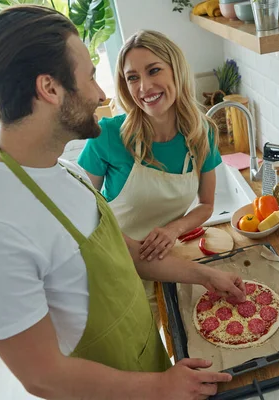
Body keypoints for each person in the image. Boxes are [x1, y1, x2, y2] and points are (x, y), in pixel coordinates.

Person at [0, 6, 245, 400]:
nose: (103, 94)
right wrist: (160, 387)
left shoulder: (65, 173)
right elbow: (43, 376)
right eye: (89, 77)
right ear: (50, 89)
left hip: (144, 363)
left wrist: (207, 276)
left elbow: (130, 254)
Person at [77, 30, 222, 326]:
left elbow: (206, 205)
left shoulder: (201, 134)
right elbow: (81, 213)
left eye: (154, 70)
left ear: (176, 70)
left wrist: (172, 230)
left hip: (164, 266)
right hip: (112, 271)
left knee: (170, 347)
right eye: (132, 78)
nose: (144, 87)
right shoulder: (106, 136)